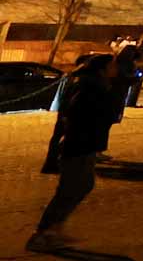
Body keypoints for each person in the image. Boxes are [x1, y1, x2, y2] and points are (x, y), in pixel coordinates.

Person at [26, 54, 119, 252]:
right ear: (102, 70)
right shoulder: (89, 88)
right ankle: (43, 233)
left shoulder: (96, 86)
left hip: (85, 144)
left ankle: (54, 229)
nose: (115, 69)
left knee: (82, 186)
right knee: (69, 190)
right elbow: (76, 115)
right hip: (78, 145)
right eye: (112, 66)